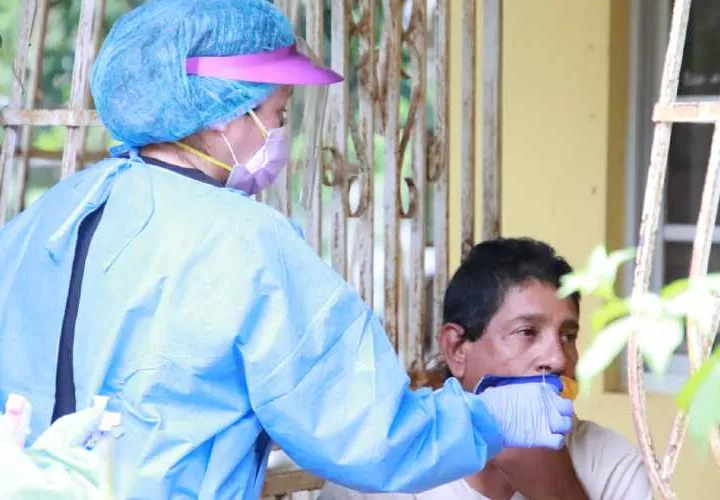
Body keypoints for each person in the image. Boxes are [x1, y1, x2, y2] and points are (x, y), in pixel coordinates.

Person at [0, 1, 573, 498]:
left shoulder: (46, 218)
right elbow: (363, 433)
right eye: (278, 114)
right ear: (224, 113)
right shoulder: (244, 241)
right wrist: (488, 418)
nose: (281, 135)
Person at [320, 238, 652, 500]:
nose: (558, 359)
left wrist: (557, 490)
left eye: (568, 336)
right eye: (527, 332)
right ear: (456, 349)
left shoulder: (613, 464)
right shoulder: (383, 472)